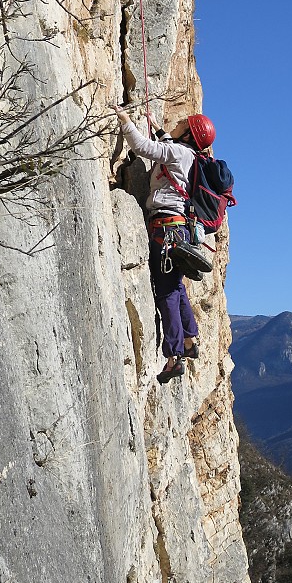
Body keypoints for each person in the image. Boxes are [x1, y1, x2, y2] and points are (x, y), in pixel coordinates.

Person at [114, 106, 216, 383]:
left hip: (166, 229)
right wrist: (158, 128)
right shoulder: (190, 155)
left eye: (183, 123)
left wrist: (126, 122)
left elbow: (145, 148)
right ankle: (189, 339)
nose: (179, 122)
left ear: (188, 134)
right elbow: (167, 146)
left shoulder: (180, 153)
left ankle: (174, 356)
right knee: (176, 286)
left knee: (167, 292)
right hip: (177, 228)